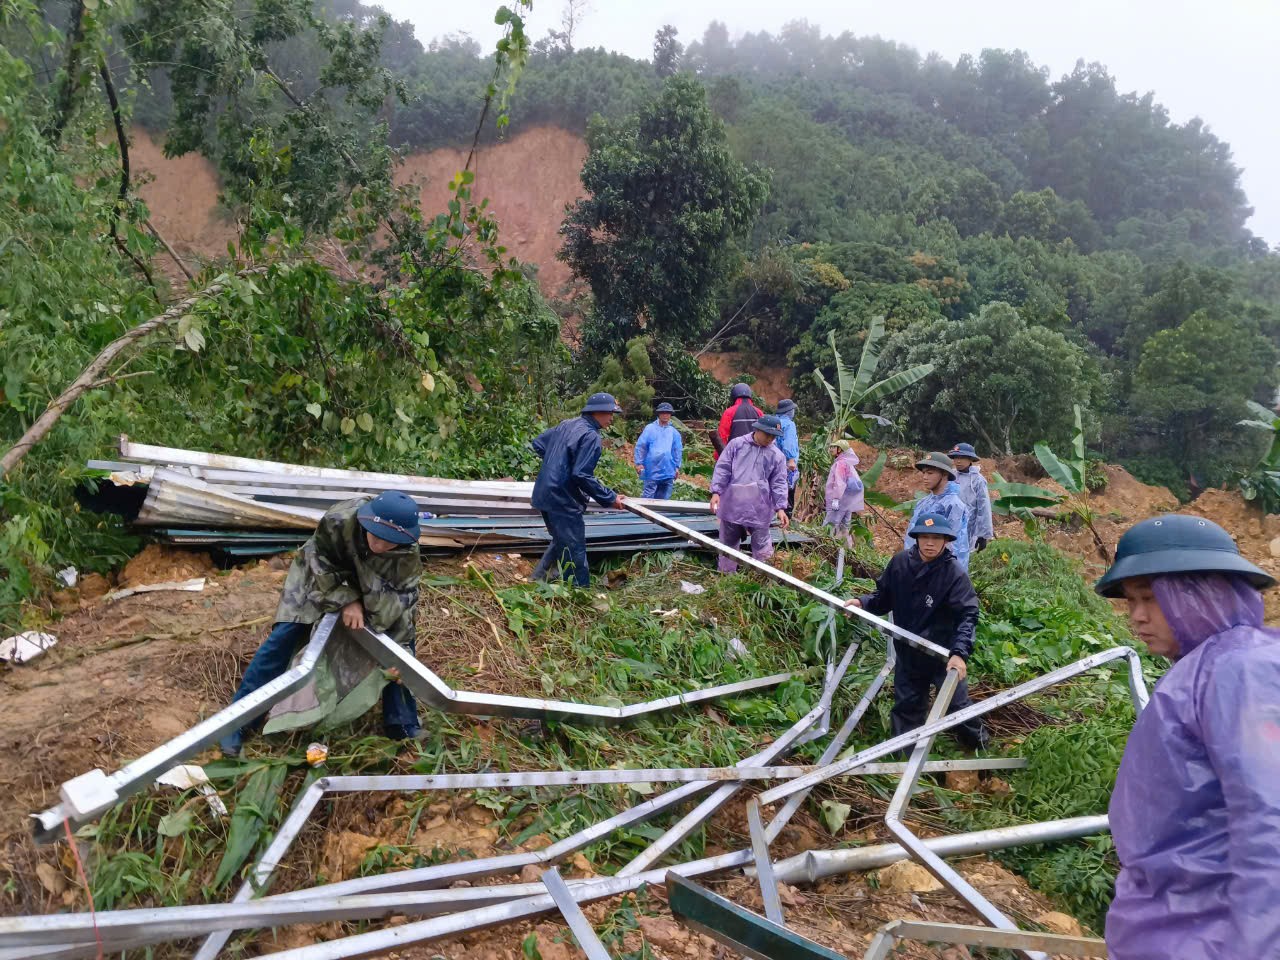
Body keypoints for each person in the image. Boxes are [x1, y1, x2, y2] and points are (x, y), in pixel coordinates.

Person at [1094, 515, 1280, 960]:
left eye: (1151, 599)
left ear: (1200, 593)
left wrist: (1256, 945)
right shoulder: (1204, 665)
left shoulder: (1238, 669)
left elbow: (1268, 817)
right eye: (1131, 602)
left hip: (1211, 932)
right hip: (1178, 925)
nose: (1136, 616)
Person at [219, 490, 423, 755]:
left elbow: (402, 603)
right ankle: (239, 721)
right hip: (320, 577)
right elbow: (319, 560)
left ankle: (402, 724)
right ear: (367, 521)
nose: (381, 546)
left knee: (400, 653)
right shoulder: (340, 518)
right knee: (286, 635)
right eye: (377, 537)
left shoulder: (407, 555)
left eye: (390, 542)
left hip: (371, 587)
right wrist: (346, 599)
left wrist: (399, 652)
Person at [846, 512, 989, 750]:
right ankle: (903, 756)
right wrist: (863, 603)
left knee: (956, 706)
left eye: (936, 538)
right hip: (909, 651)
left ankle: (980, 747)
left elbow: (968, 614)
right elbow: (883, 599)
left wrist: (959, 653)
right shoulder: (900, 563)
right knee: (906, 706)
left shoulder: (953, 574)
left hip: (942, 655)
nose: (930, 543)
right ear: (916, 538)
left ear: (946, 541)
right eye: (924, 537)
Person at [530, 392, 626, 587]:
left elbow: (539, 444)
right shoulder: (591, 436)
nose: (612, 418)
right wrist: (610, 498)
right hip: (562, 499)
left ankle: (538, 579)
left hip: (544, 494)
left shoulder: (567, 424)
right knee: (574, 549)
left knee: (560, 539)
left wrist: (556, 465)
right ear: (597, 412)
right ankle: (579, 593)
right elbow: (581, 475)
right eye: (610, 413)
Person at [710, 414, 790, 573]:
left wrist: (780, 508)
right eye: (768, 434)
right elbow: (723, 468)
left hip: (759, 508)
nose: (770, 439)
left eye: (773, 436)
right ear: (757, 429)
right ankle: (727, 577)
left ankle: (763, 576)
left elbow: (779, 482)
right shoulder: (737, 445)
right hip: (734, 504)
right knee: (729, 543)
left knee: (762, 545)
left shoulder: (777, 456)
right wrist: (716, 492)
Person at [905, 452, 971, 570]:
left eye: (930, 473)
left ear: (944, 474)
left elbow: (955, 545)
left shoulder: (954, 505)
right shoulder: (922, 503)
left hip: (941, 571)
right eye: (924, 473)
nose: (925, 477)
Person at [949, 442, 993, 554]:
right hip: (950, 526)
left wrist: (983, 534)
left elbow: (984, 508)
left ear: (970, 459)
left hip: (969, 527)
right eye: (956, 458)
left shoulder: (977, 480)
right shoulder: (950, 477)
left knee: (964, 556)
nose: (958, 461)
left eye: (962, 458)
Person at [633, 402, 683, 500]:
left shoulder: (673, 432)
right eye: (663, 412)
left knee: (664, 498)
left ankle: (660, 515)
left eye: (667, 413)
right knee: (648, 496)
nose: (665, 415)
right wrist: (639, 463)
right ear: (658, 414)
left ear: (670, 415)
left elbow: (677, 450)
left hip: (668, 469)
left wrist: (677, 467)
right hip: (651, 468)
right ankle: (644, 514)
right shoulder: (650, 429)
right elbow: (641, 446)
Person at [824, 439, 864, 532]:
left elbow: (840, 483)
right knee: (844, 526)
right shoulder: (847, 462)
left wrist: (836, 499)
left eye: (834, 447)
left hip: (839, 501)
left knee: (830, 525)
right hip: (846, 501)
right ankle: (844, 546)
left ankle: (827, 544)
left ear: (840, 449)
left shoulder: (840, 463)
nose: (831, 449)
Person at [714, 383, 762, 460]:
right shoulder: (759, 412)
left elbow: (723, 436)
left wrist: (718, 457)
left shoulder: (729, 412)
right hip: (756, 456)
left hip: (735, 456)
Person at [775, 399, 801, 516]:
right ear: (789, 411)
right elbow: (789, 442)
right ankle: (786, 518)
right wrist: (791, 460)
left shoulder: (774, 421)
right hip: (785, 463)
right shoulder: (789, 424)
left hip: (773, 461)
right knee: (788, 491)